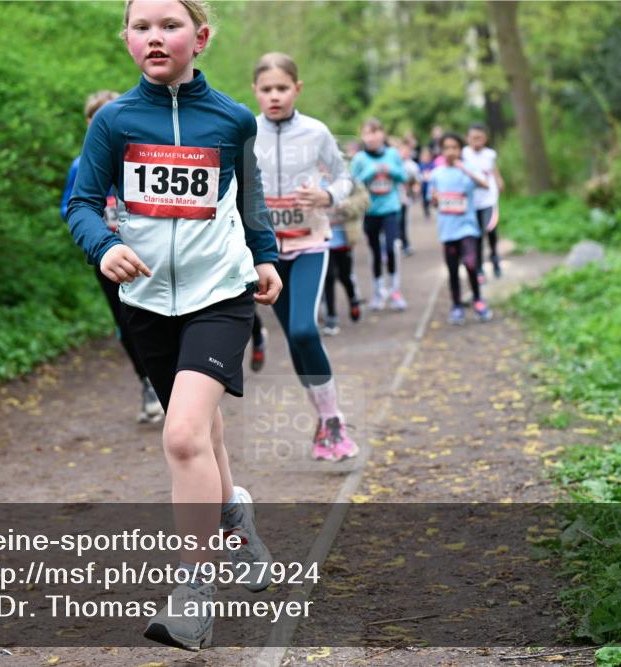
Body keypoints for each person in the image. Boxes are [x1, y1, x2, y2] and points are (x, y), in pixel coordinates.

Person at [65, 0, 282, 651]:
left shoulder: (233, 119)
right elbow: (79, 201)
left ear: (202, 37)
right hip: (147, 302)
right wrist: (103, 245)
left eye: (170, 25)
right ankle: (235, 518)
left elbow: (249, 199)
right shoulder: (113, 121)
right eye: (141, 26)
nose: (154, 37)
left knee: (183, 434)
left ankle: (194, 591)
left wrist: (265, 256)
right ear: (127, 39)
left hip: (221, 296)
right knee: (207, 435)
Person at [251, 52, 359, 462]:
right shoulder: (247, 134)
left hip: (310, 244)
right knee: (295, 343)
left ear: (297, 89)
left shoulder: (316, 133)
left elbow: (346, 177)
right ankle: (323, 425)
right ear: (255, 93)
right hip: (266, 254)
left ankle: (334, 422)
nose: (274, 96)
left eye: (282, 88)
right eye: (266, 89)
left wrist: (328, 195)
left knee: (302, 331)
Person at [61, 90, 163, 423]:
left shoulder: (142, 158)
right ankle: (147, 382)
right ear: (90, 123)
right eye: (97, 117)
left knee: (158, 319)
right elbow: (70, 207)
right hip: (107, 258)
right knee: (126, 324)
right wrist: (98, 229)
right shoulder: (81, 166)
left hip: (148, 255)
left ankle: (173, 383)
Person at [429, 132, 491, 325]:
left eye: (454, 147)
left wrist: (464, 169)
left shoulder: (467, 169)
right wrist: (435, 198)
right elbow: (432, 199)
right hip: (448, 230)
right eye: (446, 148)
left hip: (468, 228)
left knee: (471, 265)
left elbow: (485, 184)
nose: (450, 151)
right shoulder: (437, 174)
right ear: (441, 150)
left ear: (460, 150)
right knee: (453, 270)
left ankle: (478, 299)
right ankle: (456, 306)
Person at [351, 118, 406, 311]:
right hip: (370, 211)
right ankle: (378, 292)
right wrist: (370, 173)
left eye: (375, 132)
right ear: (362, 136)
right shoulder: (359, 159)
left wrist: (390, 170)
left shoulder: (392, 154)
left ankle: (395, 291)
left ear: (382, 134)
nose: (372, 137)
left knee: (392, 248)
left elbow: (403, 177)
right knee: (374, 251)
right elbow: (353, 184)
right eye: (367, 133)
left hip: (391, 208)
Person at [322, 179, 367, 336]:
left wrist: (346, 205)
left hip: (343, 239)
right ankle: (331, 317)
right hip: (322, 241)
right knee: (328, 278)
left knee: (345, 276)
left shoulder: (348, 180)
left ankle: (353, 298)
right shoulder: (312, 179)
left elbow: (364, 201)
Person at [462, 123, 506, 279]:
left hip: (489, 200)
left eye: (480, 137)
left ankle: (495, 262)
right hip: (472, 202)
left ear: (485, 138)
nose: (477, 140)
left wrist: (500, 181)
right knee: (476, 235)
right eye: (473, 137)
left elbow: (493, 169)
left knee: (491, 231)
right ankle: (478, 268)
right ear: (468, 138)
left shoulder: (490, 154)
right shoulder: (464, 154)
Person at [396, 140, 421, 257]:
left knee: (402, 223)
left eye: (406, 151)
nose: (404, 153)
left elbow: (417, 181)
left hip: (404, 199)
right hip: (393, 199)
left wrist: (415, 189)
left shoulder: (412, 166)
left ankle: (405, 245)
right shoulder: (394, 163)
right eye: (402, 151)